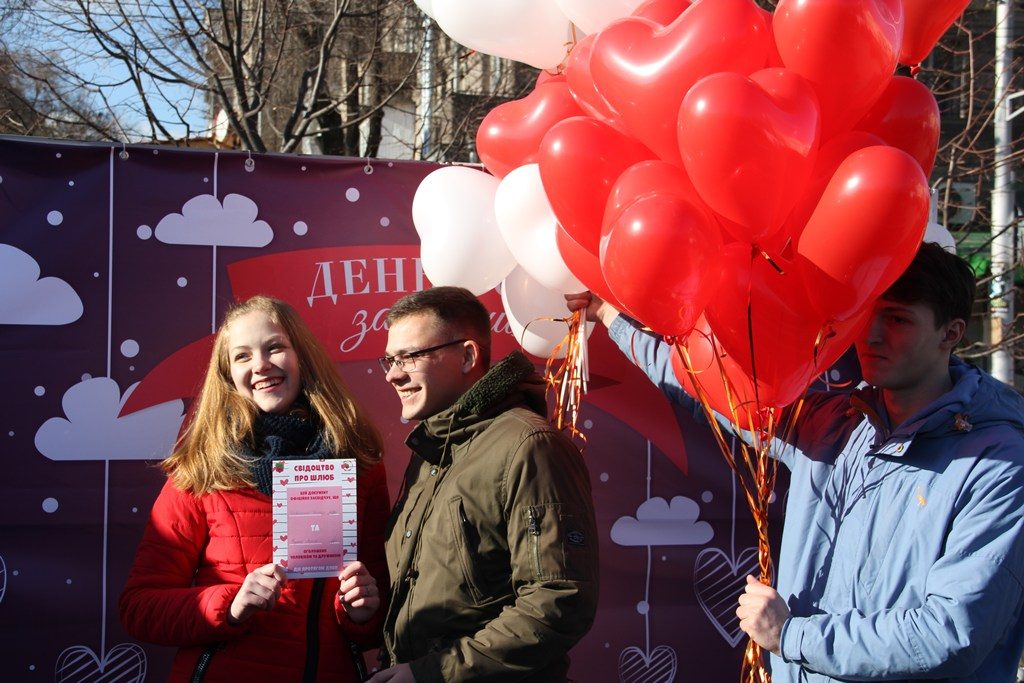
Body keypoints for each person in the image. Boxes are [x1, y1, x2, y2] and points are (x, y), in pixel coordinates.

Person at [568, 243, 1024, 682]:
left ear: (952, 333)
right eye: (868, 314)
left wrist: (791, 635)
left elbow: (951, 633)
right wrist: (611, 316)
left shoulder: (997, 463)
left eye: (899, 319)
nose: (872, 334)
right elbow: (711, 389)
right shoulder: (837, 426)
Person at [120, 295, 390, 682]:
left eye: (275, 347)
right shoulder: (202, 471)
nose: (261, 365)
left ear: (303, 357)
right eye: (242, 356)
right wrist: (229, 604)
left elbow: (376, 611)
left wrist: (362, 613)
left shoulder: (360, 465)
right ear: (228, 374)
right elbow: (139, 608)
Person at [368, 286, 599, 682]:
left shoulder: (529, 446)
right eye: (390, 359)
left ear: (468, 356)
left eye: (410, 356)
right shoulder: (430, 452)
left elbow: (558, 600)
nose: (393, 374)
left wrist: (434, 675)